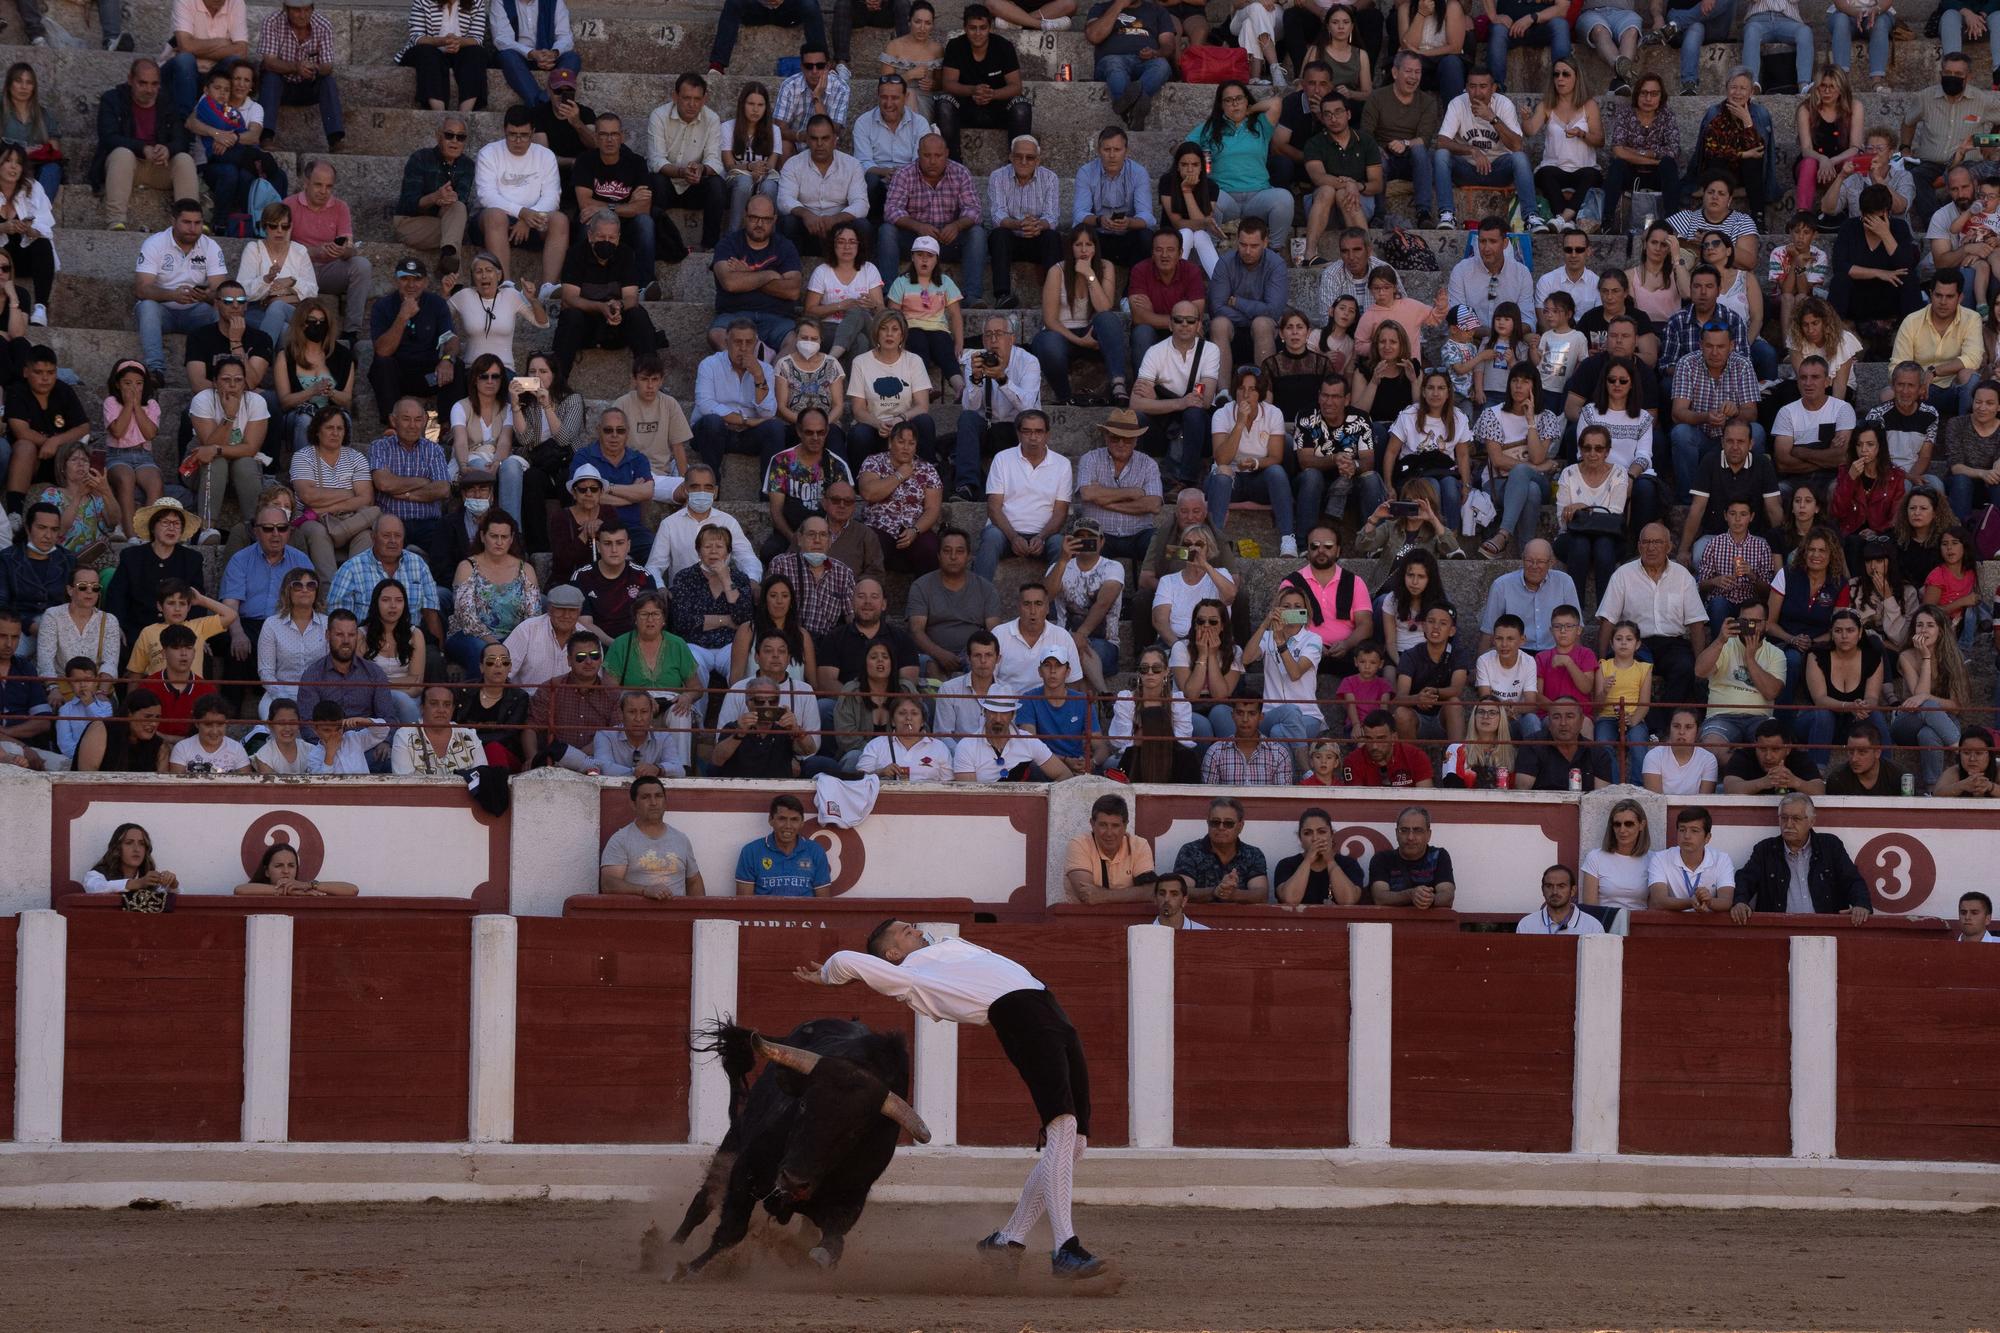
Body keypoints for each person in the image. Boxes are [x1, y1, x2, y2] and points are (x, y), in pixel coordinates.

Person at [1597, 524, 1706, 734]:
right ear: (1638, 546)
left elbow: (1697, 622)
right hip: (1635, 643)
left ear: (1669, 546)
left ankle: (1656, 725)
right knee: (1632, 666)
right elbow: (1607, 620)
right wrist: (1601, 663)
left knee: (1686, 667)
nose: (1651, 547)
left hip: (1672, 642)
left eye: (1657, 542)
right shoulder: (1623, 575)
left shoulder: (1682, 576)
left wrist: (1700, 663)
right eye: (1646, 542)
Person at [91, 61, 199, 234]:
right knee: (122, 154)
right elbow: (108, 137)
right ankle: (116, 220)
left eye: (154, 84)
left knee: (184, 159)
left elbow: (182, 140)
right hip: (126, 167)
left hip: (159, 167)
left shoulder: (167, 101)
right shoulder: (112, 99)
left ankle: (189, 223)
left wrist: (168, 149)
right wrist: (142, 148)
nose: (149, 90)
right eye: (143, 83)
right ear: (130, 80)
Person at [1731, 794, 1871, 924]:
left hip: (1826, 929)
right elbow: (1745, 879)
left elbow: (1852, 880)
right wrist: (1740, 902)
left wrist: (1861, 904)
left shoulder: (1830, 846)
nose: (1789, 824)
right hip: (1778, 931)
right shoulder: (1765, 849)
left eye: (1796, 819)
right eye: (1784, 818)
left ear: (1811, 821)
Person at [131, 198, 224, 380]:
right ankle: (155, 370)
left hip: (196, 311)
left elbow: (221, 292)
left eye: (197, 223)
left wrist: (205, 295)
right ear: (173, 221)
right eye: (187, 222)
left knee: (222, 310)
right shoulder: (154, 243)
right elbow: (141, 289)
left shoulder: (211, 246)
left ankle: (219, 372)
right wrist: (172, 295)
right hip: (162, 311)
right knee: (147, 306)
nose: (192, 228)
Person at [648, 73, 727, 253]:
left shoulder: (712, 119)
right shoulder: (659, 116)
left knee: (717, 186)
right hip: (668, 184)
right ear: (675, 97)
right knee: (655, 181)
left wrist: (702, 169)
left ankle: (709, 246)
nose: (692, 104)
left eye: (697, 99)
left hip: (695, 185)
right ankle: (658, 245)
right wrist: (681, 172)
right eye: (686, 98)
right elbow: (656, 160)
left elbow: (714, 160)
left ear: (705, 99)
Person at [776, 114, 869, 262]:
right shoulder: (793, 164)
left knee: (862, 225)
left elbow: (861, 204)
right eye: (814, 138)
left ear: (834, 140)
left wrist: (836, 219)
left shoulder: (852, 165)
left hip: (839, 231)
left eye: (825, 138)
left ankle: (859, 277)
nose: (819, 144)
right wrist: (806, 215)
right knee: (788, 222)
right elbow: (784, 200)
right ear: (807, 140)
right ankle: (789, 272)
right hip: (806, 229)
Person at [255, 0, 341, 152]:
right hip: (281, 86)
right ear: (286, 9)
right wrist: (296, 67)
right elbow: (269, 62)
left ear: (312, 9)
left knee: (328, 81)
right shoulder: (272, 22)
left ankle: (336, 140)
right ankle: (266, 137)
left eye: (307, 10)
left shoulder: (323, 25)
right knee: (270, 77)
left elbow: (328, 66)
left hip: (309, 84)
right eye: (297, 11)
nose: (302, 15)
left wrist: (313, 68)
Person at [599, 776, 705, 899]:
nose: (653, 802)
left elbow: (694, 882)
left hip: (677, 916)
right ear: (633, 804)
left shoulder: (681, 839)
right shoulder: (620, 840)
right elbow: (608, 884)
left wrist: (700, 915)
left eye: (658, 796)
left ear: (665, 802)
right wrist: (645, 890)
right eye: (645, 797)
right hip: (638, 916)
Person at [730, 794, 832, 898]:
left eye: (794, 820)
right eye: (782, 819)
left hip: (803, 914)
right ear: (770, 820)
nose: (788, 826)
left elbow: (823, 904)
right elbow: (744, 905)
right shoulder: (751, 852)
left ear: (802, 822)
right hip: (765, 914)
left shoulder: (815, 851)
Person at [399, 0, 492, 114]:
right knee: (427, 53)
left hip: (459, 52)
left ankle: (465, 114)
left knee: (477, 53)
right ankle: (439, 113)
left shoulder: (476, 2)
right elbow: (417, 37)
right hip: (426, 51)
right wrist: (441, 41)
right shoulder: (423, 1)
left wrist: (458, 42)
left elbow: (477, 38)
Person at [490, 0, 579, 107]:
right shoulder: (500, 1)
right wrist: (531, 53)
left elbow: (565, 36)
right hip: (519, 57)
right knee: (508, 57)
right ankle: (539, 105)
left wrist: (554, 53)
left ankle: (544, 99)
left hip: (548, 57)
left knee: (572, 58)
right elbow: (501, 38)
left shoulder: (555, 2)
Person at [1272, 808, 1365, 908]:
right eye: (1308, 833)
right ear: (1300, 838)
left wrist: (1330, 861)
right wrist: (1308, 860)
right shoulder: (1287, 865)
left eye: (1322, 832)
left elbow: (1348, 901)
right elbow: (1290, 900)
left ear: (1331, 835)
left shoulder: (1348, 864)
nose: (1315, 838)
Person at [1365, 806, 1454, 908]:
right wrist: (1410, 894)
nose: (1410, 837)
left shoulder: (1438, 856)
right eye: (1404, 830)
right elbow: (1379, 897)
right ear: (1396, 833)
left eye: (1417, 830)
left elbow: (1448, 896)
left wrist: (1429, 899)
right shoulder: (1382, 859)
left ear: (1428, 835)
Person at [82, 824, 179, 898]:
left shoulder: (148, 878)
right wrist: (138, 883)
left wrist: (172, 884)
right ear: (117, 848)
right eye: (129, 843)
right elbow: (95, 888)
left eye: (142, 844)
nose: (137, 849)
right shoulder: (97, 874)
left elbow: (178, 901)